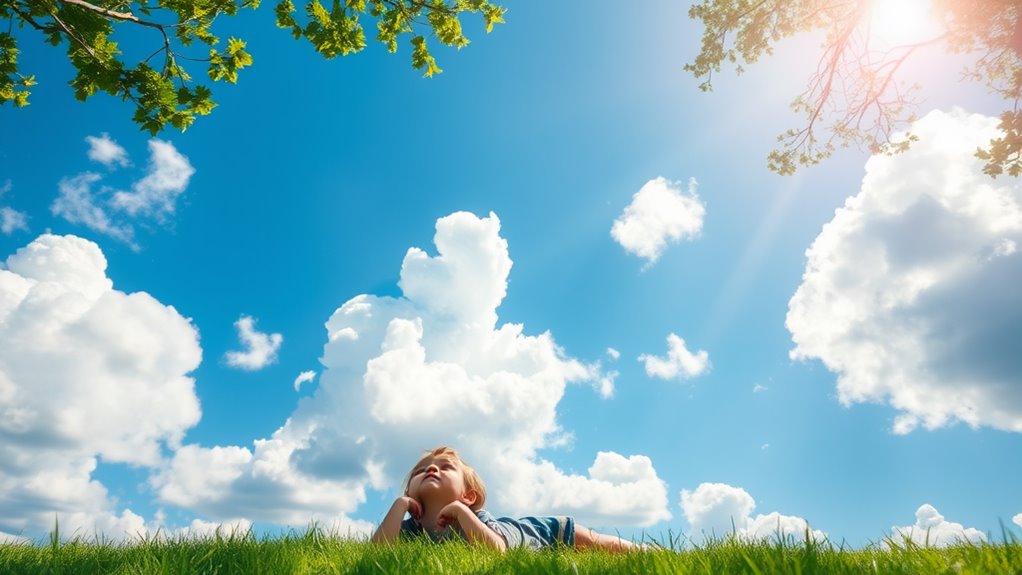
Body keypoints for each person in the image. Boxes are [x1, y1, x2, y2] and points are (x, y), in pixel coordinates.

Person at [371, 446, 643, 552]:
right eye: (420, 471)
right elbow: (377, 554)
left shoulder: (477, 518)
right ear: (411, 492)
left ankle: (656, 554)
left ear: (468, 496)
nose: (431, 469)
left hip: (545, 533)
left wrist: (462, 513)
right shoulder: (409, 531)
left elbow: (496, 551)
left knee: (602, 545)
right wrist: (400, 505)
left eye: (446, 467)